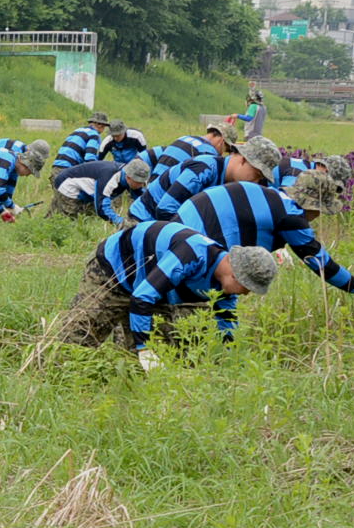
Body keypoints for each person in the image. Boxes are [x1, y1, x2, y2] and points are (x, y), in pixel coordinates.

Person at [51, 221, 279, 368]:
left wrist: (233, 361)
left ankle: (127, 387)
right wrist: (144, 348)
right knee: (79, 338)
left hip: (153, 289)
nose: (246, 293)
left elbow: (227, 325)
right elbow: (141, 298)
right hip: (114, 272)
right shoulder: (190, 255)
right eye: (247, 286)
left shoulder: (225, 288)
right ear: (234, 272)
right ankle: (49, 376)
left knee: (159, 356)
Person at [175, 169, 354, 309]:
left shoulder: (277, 198)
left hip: (184, 224)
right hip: (199, 235)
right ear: (314, 206)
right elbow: (322, 265)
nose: (318, 216)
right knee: (207, 292)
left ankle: (223, 342)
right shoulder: (292, 217)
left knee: (224, 288)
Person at [127, 135, 280, 224]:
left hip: (163, 226)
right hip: (142, 221)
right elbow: (165, 209)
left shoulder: (226, 182)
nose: (256, 182)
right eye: (256, 174)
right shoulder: (204, 169)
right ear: (243, 159)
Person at [48, 157, 152, 223]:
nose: (141, 185)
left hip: (88, 191)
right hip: (68, 185)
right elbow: (102, 208)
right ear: (128, 177)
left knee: (89, 219)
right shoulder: (110, 177)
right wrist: (121, 222)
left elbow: (142, 199)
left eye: (143, 182)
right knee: (68, 220)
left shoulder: (129, 177)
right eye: (138, 182)